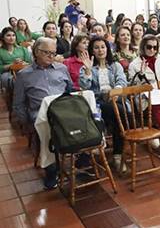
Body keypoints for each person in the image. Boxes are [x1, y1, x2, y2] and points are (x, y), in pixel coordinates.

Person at [13, 37, 73, 189]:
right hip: (40, 113)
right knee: (48, 126)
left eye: (53, 53)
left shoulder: (61, 68)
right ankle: (51, 170)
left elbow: (69, 90)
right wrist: (26, 123)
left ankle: (83, 154)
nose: (51, 56)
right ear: (36, 52)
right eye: (47, 52)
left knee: (83, 118)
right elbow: (18, 103)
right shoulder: (24, 74)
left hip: (62, 109)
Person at [79, 37, 127, 172]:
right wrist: (88, 71)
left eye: (103, 47)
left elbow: (122, 82)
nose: (100, 50)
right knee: (120, 114)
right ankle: (118, 155)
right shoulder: (87, 67)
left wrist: (114, 91)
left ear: (107, 49)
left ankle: (105, 139)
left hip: (115, 98)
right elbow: (85, 87)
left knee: (118, 111)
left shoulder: (115, 65)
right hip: (98, 102)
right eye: (96, 47)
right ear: (92, 51)